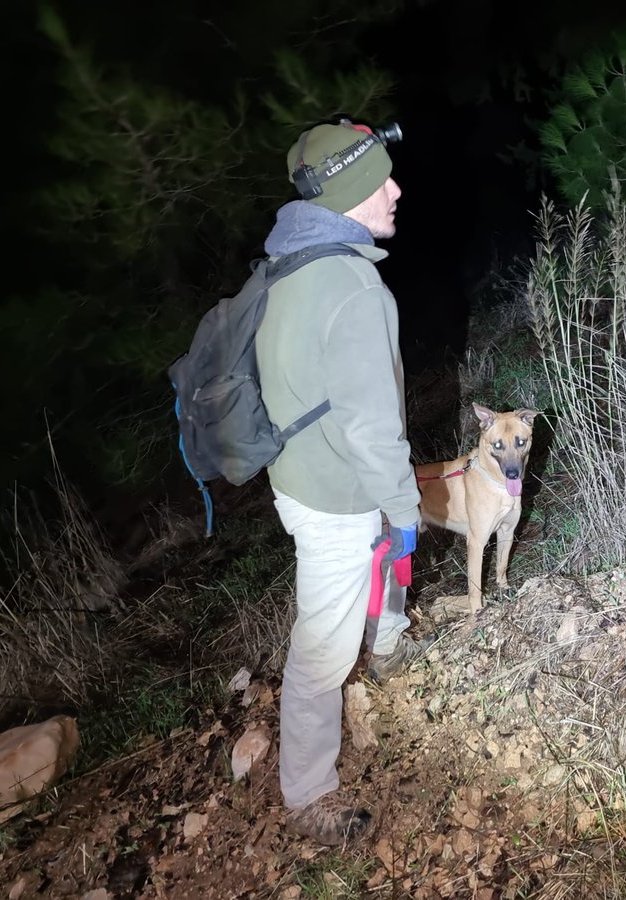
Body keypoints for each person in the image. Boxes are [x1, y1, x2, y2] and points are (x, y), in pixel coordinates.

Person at [254, 120, 429, 846]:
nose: (395, 190)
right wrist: (406, 507)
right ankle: (307, 792)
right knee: (322, 649)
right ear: (349, 196)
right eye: (378, 181)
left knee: (378, 554)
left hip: (298, 474)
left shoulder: (289, 264)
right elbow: (372, 429)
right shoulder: (355, 288)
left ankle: (387, 643)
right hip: (334, 495)